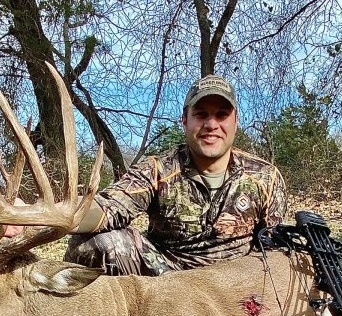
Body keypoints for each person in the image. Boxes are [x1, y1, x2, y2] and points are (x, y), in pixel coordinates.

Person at [63, 74, 287, 276]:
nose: (211, 125)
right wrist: (56, 217)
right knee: (91, 244)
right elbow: (111, 206)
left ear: (236, 121)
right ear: (185, 120)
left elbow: (273, 248)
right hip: (167, 280)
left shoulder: (265, 177)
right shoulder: (158, 169)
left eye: (222, 115)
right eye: (201, 115)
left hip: (235, 286)